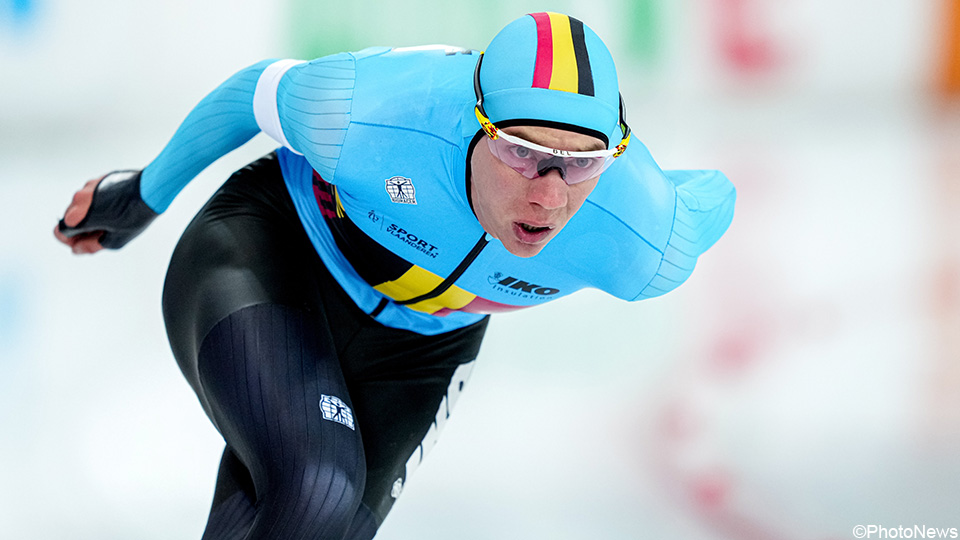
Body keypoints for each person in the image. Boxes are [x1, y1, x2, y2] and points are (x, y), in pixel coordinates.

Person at [54, 12, 735, 540]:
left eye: (582, 163)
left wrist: (649, 189)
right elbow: (252, 94)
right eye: (523, 153)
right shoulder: (371, 112)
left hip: (424, 345)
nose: (550, 196)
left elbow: (716, 192)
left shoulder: (642, 236)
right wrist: (143, 194)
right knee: (316, 487)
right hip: (275, 251)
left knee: (329, 522)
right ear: (478, 125)